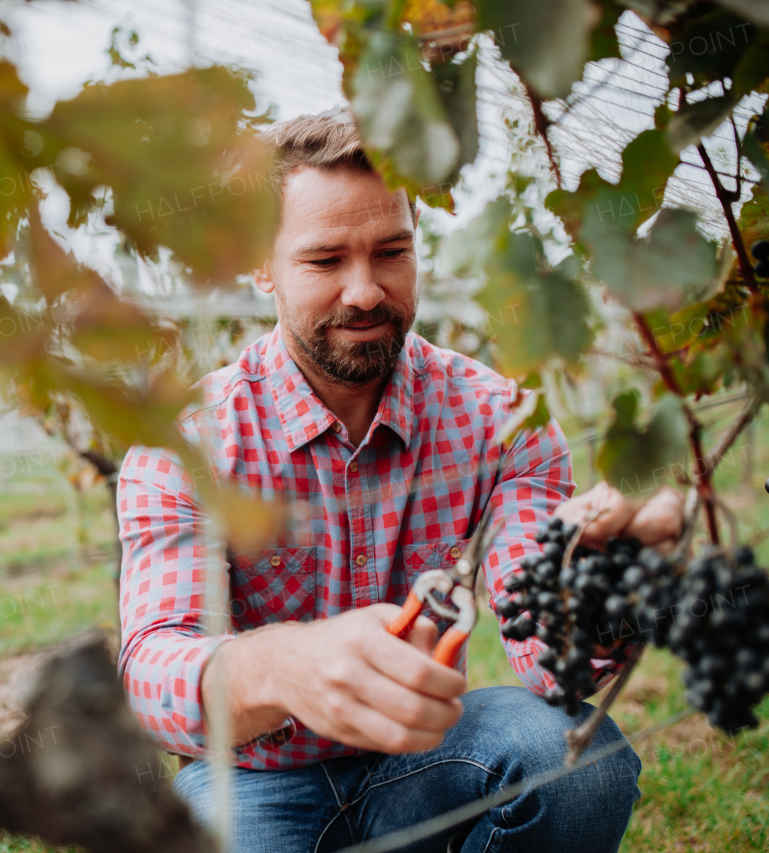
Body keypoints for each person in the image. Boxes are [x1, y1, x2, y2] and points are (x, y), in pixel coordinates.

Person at [115, 112, 684, 853]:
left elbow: (543, 641)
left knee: (578, 761)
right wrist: (284, 666)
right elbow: (154, 667)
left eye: (392, 252)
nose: (365, 292)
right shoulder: (187, 441)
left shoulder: (500, 417)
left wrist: (605, 578)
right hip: (255, 778)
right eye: (324, 261)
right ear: (263, 267)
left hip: (430, 757)